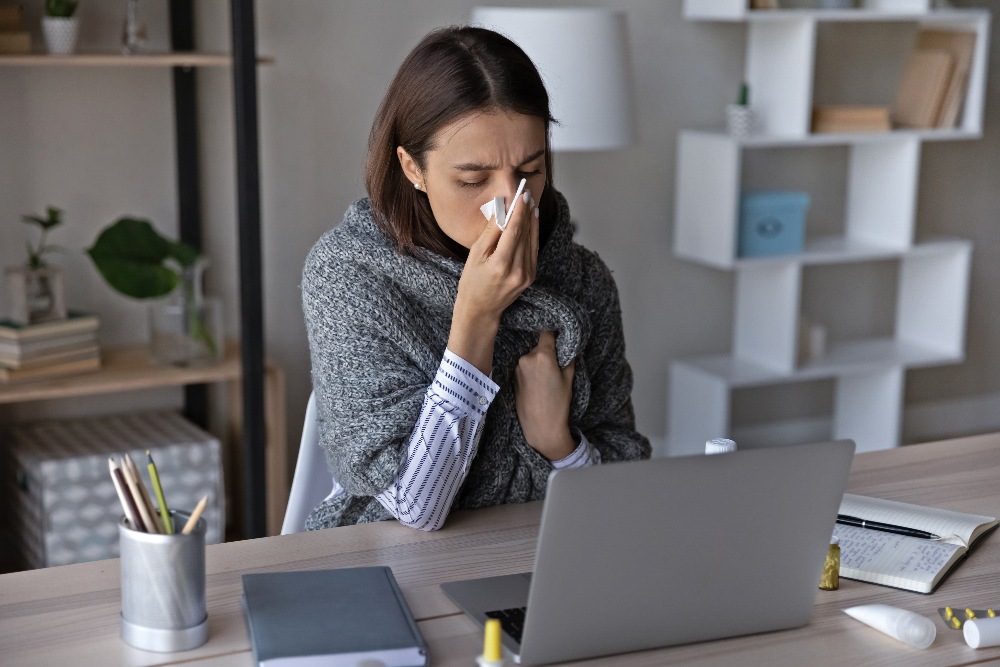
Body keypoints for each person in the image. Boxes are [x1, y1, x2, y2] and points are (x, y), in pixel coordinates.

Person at [301, 25, 650, 532]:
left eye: (529, 170)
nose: (509, 204)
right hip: (392, 563)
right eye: (472, 179)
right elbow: (416, 510)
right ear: (412, 169)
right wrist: (477, 317)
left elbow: (624, 491)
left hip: (541, 558)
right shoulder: (351, 277)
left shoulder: (583, 279)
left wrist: (559, 444)